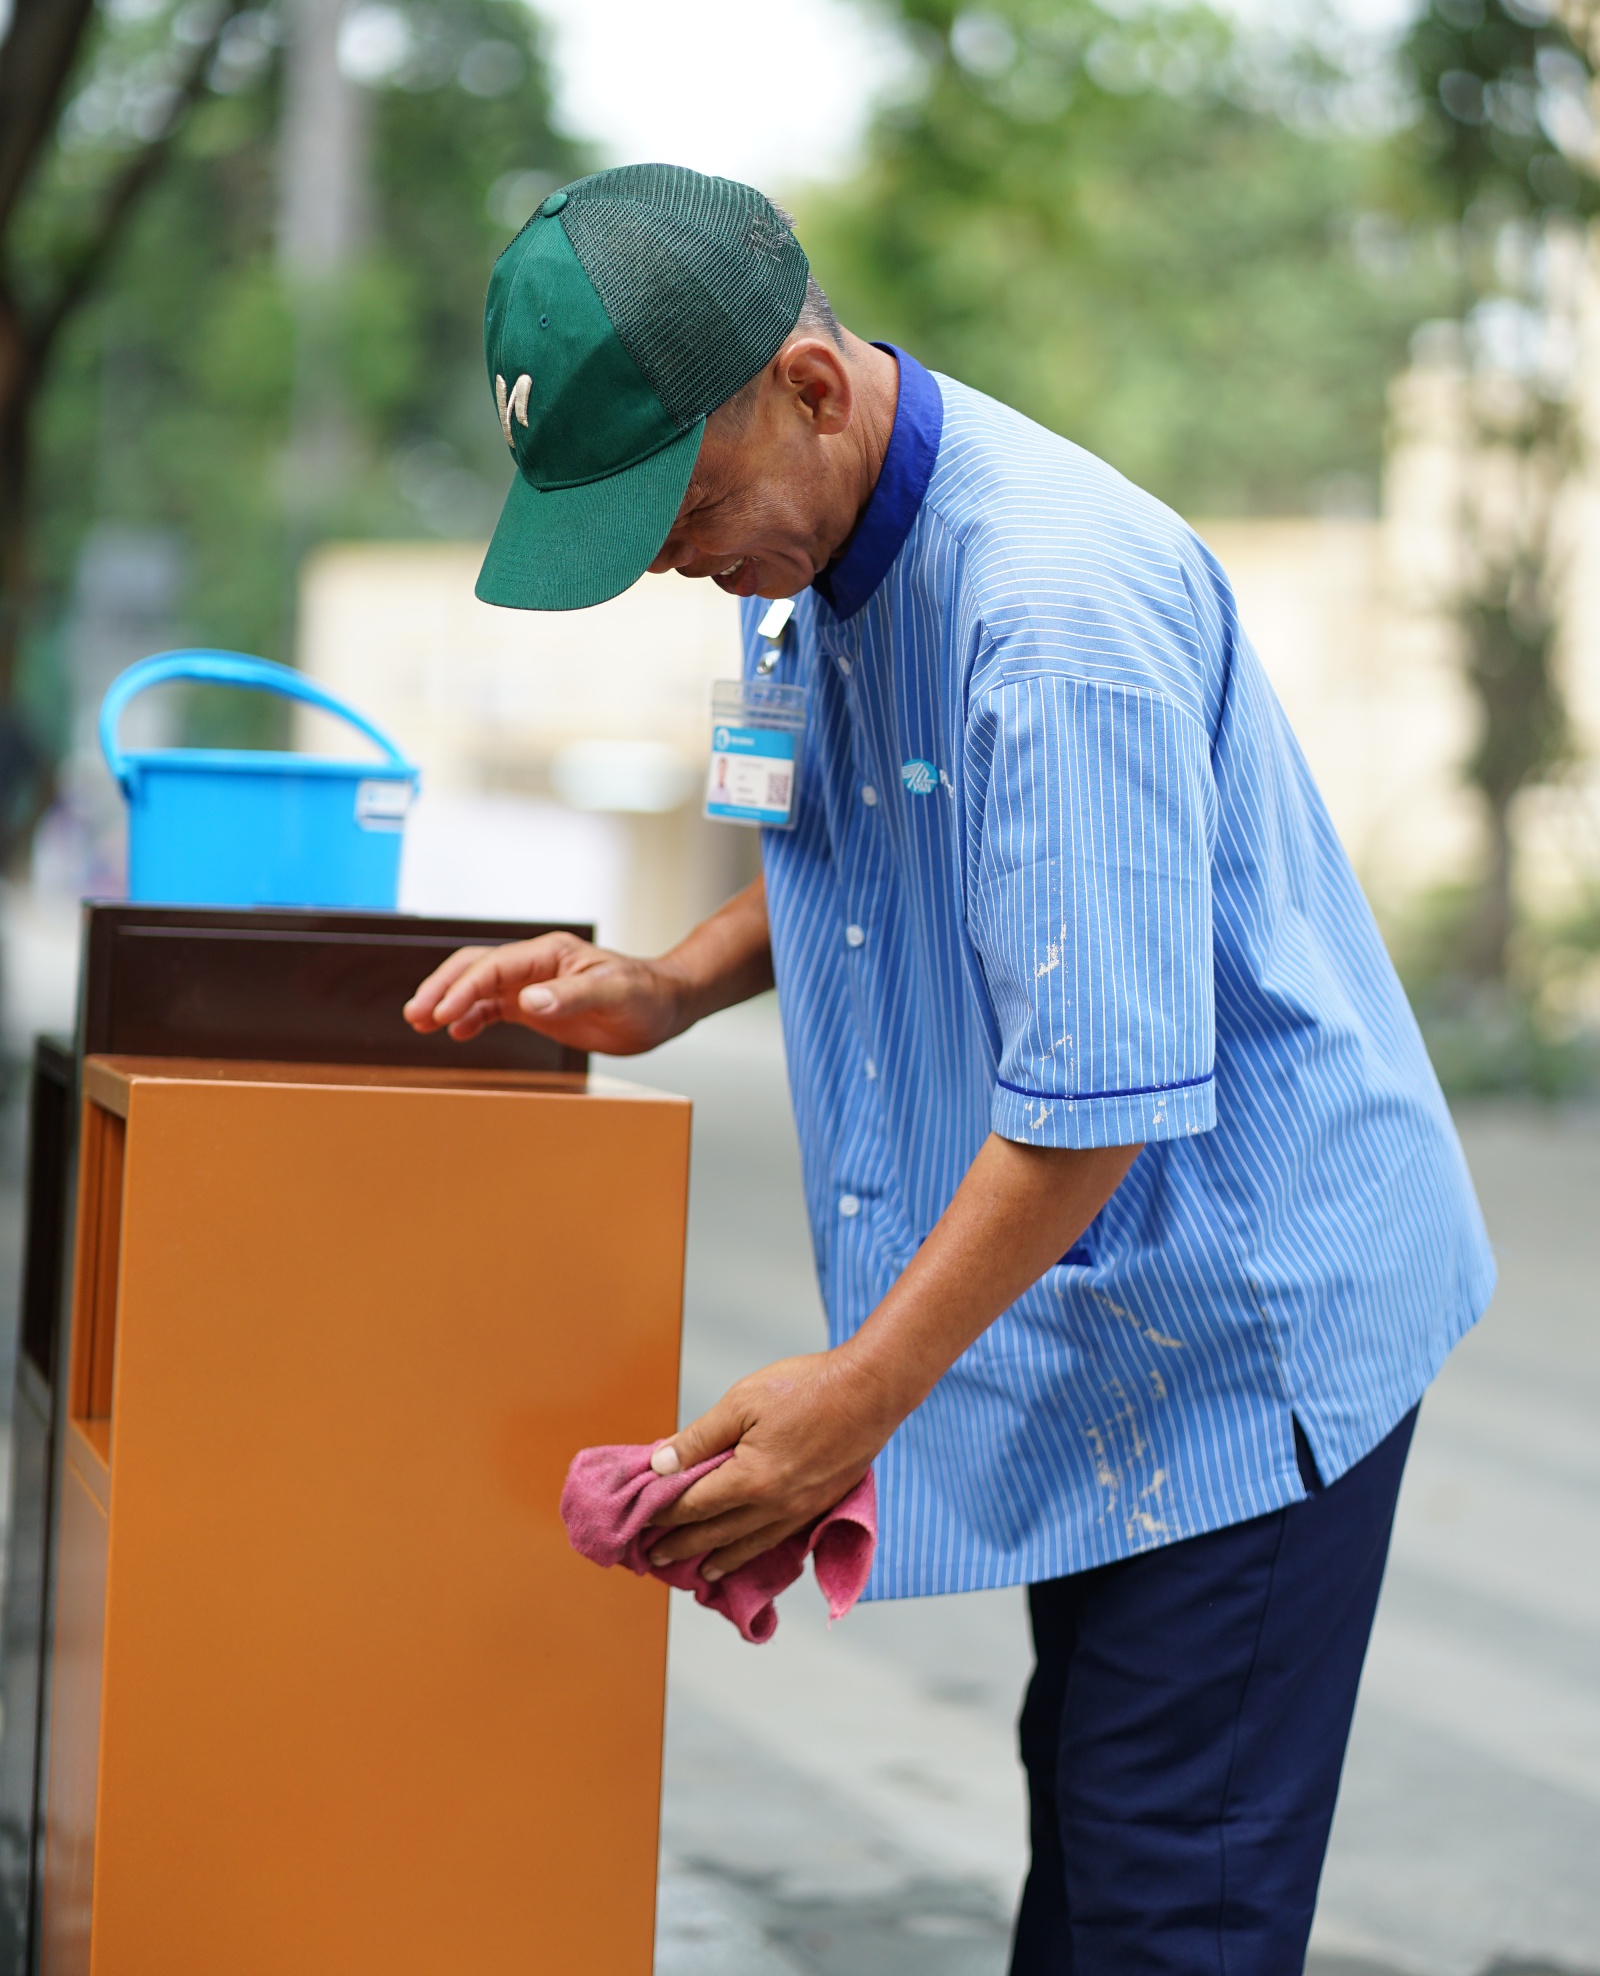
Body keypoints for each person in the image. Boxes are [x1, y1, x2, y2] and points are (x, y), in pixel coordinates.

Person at [404, 162, 1495, 1973]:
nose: (672, 566)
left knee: (1167, 1893)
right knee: (1093, 1822)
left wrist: (855, 1399)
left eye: (676, 514)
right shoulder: (813, 553)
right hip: (1110, 1319)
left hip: (1246, 1325)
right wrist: (667, 984)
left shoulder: (1052, 621)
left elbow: (1104, 1097)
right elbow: (863, 839)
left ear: (810, 390)